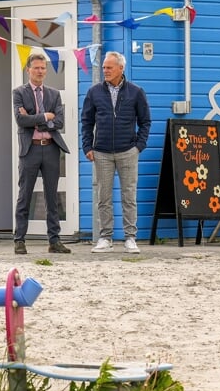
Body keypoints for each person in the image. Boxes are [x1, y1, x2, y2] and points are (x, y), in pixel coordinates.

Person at [80, 51, 152, 254]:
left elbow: (145, 121)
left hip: (128, 151)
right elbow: (86, 121)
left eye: (109, 67)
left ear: (121, 68)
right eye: (104, 67)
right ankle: (105, 238)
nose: (105, 71)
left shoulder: (136, 92)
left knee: (129, 196)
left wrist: (139, 146)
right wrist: (87, 146)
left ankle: (130, 237)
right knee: (104, 197)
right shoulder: (94, 92)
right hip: (101, 152)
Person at [12, 51, 71, 254]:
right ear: (28, 70)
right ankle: (19, 239)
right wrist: (46, 116)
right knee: (25, 195)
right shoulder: (19, 92)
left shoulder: (54, 94)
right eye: (36, 68)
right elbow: (21, 121)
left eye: (43, 68)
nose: (40, 71)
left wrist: (34, 118)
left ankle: (54, 240)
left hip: (51, 148)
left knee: (52, 197)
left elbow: (60, 122)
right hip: (31, 150)